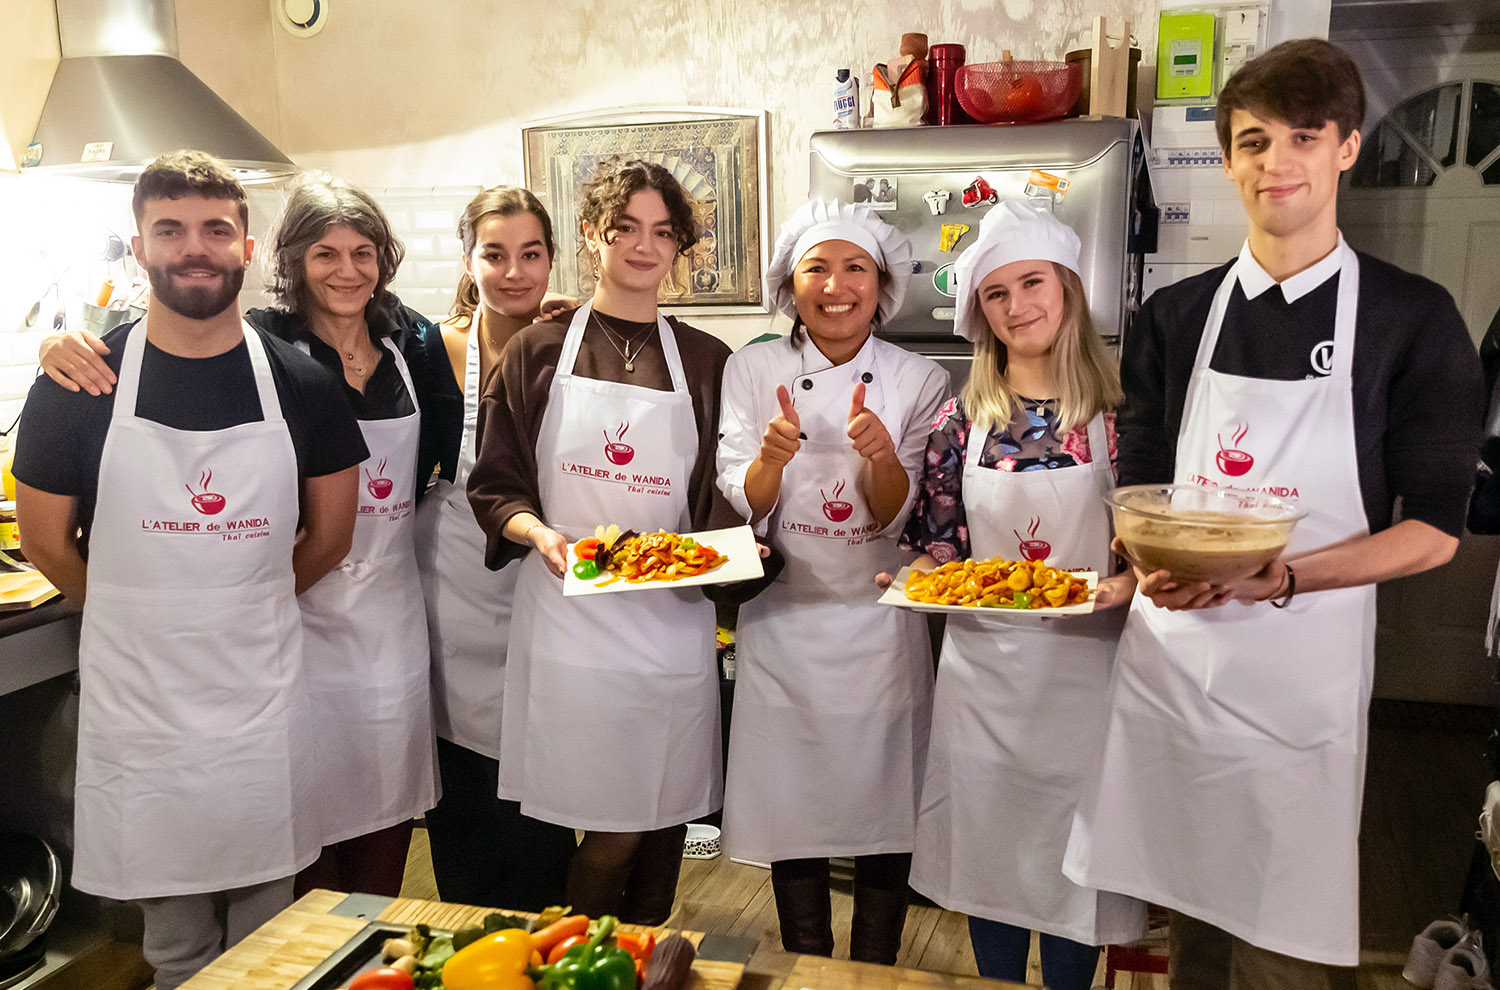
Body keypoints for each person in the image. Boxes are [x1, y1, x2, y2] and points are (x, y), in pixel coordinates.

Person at [1060, 39, 1485, 987]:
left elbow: (1433, 533)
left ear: (1346, 147)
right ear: (1227, 158)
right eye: (1253, 141)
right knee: (1190, 928)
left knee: (1282, 941)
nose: (1276, 163)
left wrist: (1283, 574)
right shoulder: (1179, 316)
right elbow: (1140, 476)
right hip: (1175, 664)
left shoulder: (1411, 319)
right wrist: (1147, 560)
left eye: (1303, 136)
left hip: (1302, 677)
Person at [41, 172, 463, 899]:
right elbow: (175, 342)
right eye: (326, 253)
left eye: (364, 252)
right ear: (289, 260)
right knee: (292, 840)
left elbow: (449, 446)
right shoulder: (265, 349)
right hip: (284, 638)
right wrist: (61, 346)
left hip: (384, 622)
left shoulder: (417, 345)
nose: (347, 269)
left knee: (384, 815)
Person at [12, 150, 367, 990]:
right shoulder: (79, 384)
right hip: (144, 705)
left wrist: (239, 603)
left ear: (247, 248)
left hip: (258, 692)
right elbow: (44, 541)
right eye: (170, 229)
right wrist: (142, 608)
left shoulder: (303, 384)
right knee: (171, 940)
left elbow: (331, 537)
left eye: (215, 229)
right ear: (140, 246)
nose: (193, 247)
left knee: (270, 931)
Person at [466, 159, 738, 924]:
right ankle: (586, 951)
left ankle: (642, 955)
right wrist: (539, 534)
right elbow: (495, 484)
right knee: (612, 828)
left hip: (670, 617)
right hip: (569, 619)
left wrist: (734, 553)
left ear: (679, 246)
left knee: (667, 816)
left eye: (662, 233)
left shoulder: (709, 361)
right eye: (625, 229)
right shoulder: (539, 351)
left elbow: (719, 498)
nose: (643, 248)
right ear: (592, 235)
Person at [899, 201, 1143, 990]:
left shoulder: (1120, 421)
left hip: (1091, 672)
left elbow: (1153, 544)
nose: (1017, 306)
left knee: (1076, 865)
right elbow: (942, 544)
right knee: (991, 856)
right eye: (996, 295)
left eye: (1031, 283)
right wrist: (916, 580)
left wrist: (1132, 580)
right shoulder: (960, 419)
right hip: (984, 678)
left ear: (1067, 290)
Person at [715, 198, 949, 963]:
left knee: (884, 807)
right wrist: (770, 462)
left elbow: (894, 518)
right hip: (785, 622)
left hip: (880, 622)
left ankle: (876, 970)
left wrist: (883, 459)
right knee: (796, 808)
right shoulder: (753, 368)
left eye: (856, 268)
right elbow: (744, 502)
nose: (837, 284)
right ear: (792, 283)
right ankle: (809, 967)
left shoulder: (918, 379)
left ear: (881, 286)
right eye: (817, 267)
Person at [414, 186, 578, 909]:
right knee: (466, 794)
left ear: (552, 260)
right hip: (453, 588)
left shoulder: (577, 343)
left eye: (531, 254)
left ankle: (547, 937)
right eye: (495, 254)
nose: (514, 272)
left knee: (544, 784)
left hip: (544, 577)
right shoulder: (425, 348)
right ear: (468, 259)